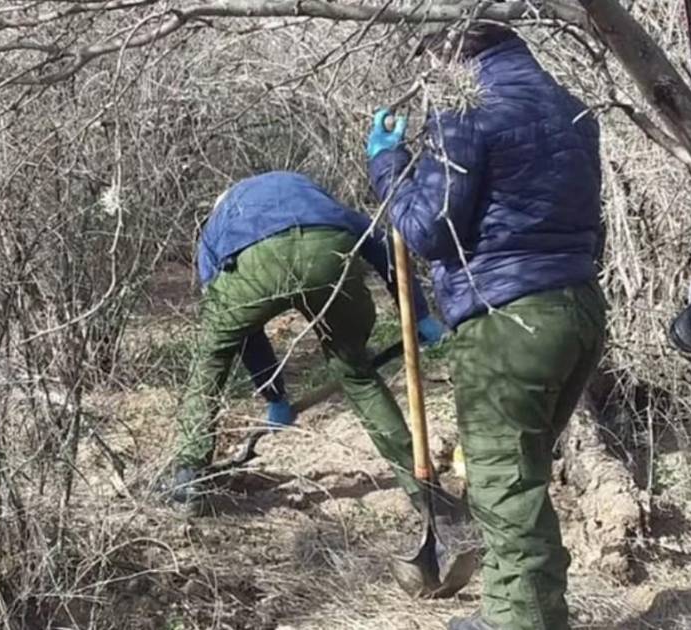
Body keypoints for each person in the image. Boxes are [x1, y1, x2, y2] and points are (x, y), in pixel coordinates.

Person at [367, 21, 607, 630]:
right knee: (515, 475)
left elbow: (428, 230)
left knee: (505, 485)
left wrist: (389, 164)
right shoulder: (573, 109)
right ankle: (510, 609)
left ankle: (520, 622)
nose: (430, 78)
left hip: (508, 321)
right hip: (577, 307)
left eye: (431, 62)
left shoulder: (467, 111)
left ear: (450, 53)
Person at [168, 171, 445, 504]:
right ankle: (425, 493)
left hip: (251, 269)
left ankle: (188, 480)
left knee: (211, 359)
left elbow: (243, 335)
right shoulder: (311, 196)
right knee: (358, 376)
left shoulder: (216, 232)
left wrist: (274, 396)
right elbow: (381, 243)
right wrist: (418, 313)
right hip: (327, 250)